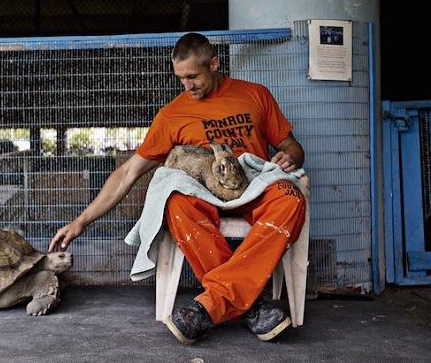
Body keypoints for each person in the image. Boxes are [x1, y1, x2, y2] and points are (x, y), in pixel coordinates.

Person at [48, 32, 306, 344]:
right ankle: (251, 305)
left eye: (193, 76)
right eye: (181, 78)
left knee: (291, 198)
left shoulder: (255, 95)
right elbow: (128, 172)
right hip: (205, 194)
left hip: (252, 186)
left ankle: (211, 305)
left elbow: (291, 146)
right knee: (173, 201)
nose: (187, 86)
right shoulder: (172, 114)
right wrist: (80, 221)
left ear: (214, 63)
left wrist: (289, 156)